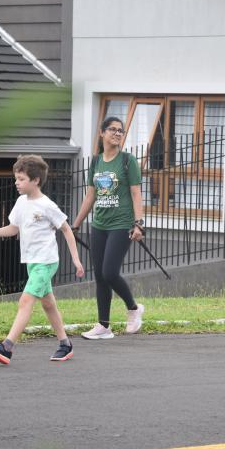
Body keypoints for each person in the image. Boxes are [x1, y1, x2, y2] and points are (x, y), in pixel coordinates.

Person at [0, 155, 84, 364]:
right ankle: (65, 344)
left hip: (46, 262)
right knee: (48, 304)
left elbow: (66, 229)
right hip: (32, 262)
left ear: (35, 180)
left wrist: (76, 260)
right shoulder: (20, 202)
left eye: (21, 178)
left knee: (25, 300)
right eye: (16, 178)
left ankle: (7, 347)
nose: (16, 182)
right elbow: (13, 228)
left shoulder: (47, 205)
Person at [71, 116, 145, 340]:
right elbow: (90, 195)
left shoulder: (127, 161)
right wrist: (76, 223)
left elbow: (135, 193)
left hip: (121, 224)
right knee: (100, 277)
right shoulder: (95, 162)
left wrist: (138, 224)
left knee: (110, 272)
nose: (117, 133)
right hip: (99, 225)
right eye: (112, 130)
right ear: (102, 133)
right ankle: (104, 326)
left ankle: (133, 308)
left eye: (120, 131)